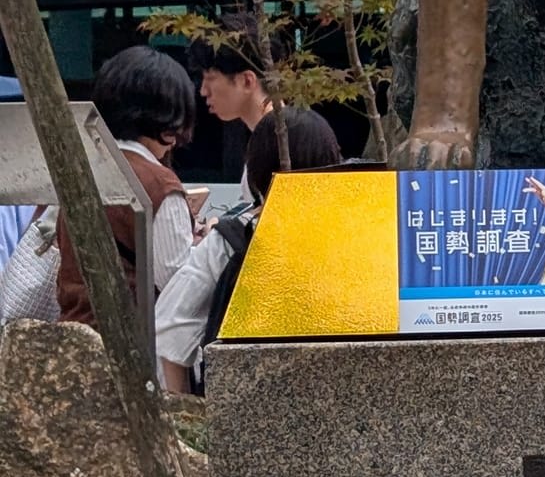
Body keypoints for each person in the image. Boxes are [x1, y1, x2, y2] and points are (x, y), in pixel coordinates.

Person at [155, 107, 342, 392]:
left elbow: (170, 325)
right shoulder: (348, 238)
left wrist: (185, 418)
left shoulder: (230, 241)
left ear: (255, 168)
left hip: (244, 406)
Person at [56, 44, 197, 323]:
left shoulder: (80, 175)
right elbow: (177, 283)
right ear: (169, 121)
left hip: (73, 344)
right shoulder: (160, 184)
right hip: (133, 348)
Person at [186, 29, 280, 189]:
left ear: (247, 81)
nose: (203, 91)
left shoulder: (286, 138)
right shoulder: (264, 137)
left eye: (210, 78)